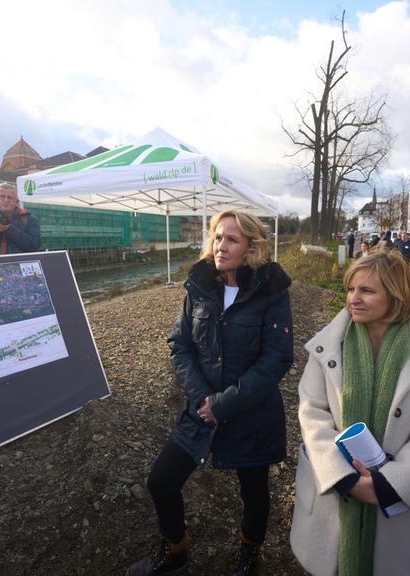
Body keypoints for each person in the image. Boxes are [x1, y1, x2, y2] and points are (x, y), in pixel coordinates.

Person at [127, 209, 294, 576]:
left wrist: (225, 403)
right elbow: (179, 344)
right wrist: (203, 398)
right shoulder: (201, 285)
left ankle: (250, 554)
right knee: (162, 481)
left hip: (251, 413)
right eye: (218, 237)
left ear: (252, 246)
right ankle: (175, 551)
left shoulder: (272, 291)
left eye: (232, 239)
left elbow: (277, 359)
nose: (221, 245)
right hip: (200, 408)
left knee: (253, 492)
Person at [290, 250, 410, 576]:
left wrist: (386, 484)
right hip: (338, 495)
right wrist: (347, 479)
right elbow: (312, 413)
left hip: (399, 507)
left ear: (395, 295)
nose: (353, 298)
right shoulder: (327, 347)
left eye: (366, 291)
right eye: (351, 289)